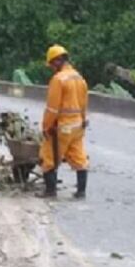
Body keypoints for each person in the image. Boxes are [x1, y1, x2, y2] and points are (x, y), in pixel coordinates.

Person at [38, 44, 89, 199]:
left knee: (48, 157)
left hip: (63, 127)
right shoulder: (79, 78)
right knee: (79, 157)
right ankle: (81, 191)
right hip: (77, 125)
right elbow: (83, 103)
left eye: (52, 64)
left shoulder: (58, 80)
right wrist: (83, 120)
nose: (52, 68)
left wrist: (46, 127)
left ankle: (50, 191)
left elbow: (53, 108)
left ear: (58, 61)